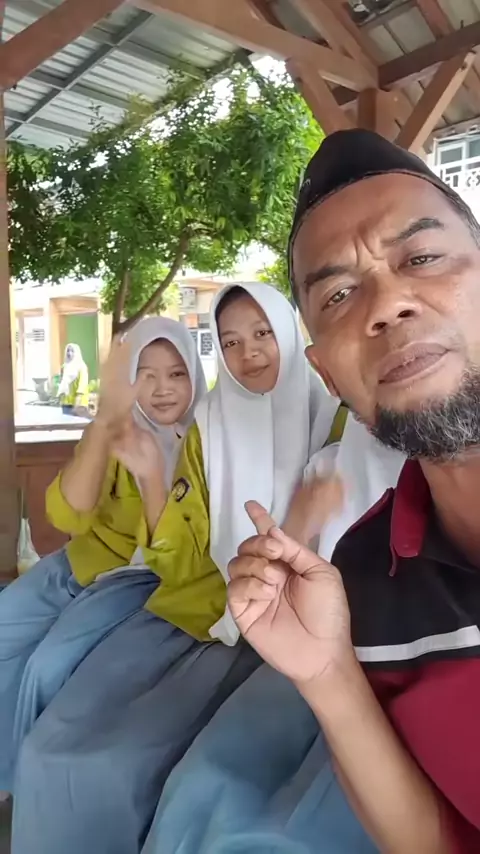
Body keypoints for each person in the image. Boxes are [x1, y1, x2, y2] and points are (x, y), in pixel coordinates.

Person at [213, 130, 480, 852]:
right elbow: (434, 840)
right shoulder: (365, 575)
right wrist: (329, 671)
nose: (386, 305)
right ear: (329, 374)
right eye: (338, 294)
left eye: (421, 258)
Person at [11, 283, 339, 854]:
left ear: (290, 334)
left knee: (152, 777)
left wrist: (294, 535)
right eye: (230, 341)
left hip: (294, 631)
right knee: (53, 748)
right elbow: (180, 560)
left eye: (262, 334)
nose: (249, 353)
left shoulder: (336, 422)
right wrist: (150, 479)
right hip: (197, 613)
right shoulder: (207, 429)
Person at [142, 415, 404, 854]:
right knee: (197, 789)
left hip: (389, 672)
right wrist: (292, 533)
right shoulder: (326, 465)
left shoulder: (451, 470)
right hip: (289, 642)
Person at [0, 317, 205, 793]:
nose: (162, 389)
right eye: (146, 375)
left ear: (195, 375)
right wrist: (105, 422)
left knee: (47, 667)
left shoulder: (207, 440)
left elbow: (184, 552)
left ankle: (25, 782)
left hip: (137, 585)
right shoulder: (120, 432)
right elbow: (68, 516)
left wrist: (152, 478)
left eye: (176, 374)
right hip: (79, 568)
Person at [57, 343, 89, 415]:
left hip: (79, 404)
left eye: (72, 351)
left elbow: (82, 386)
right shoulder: (64, 367)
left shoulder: (82, 367)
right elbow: (62, 384)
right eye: (68, 351)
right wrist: (61, 399)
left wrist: (76, 405)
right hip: (66, 403)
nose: (69, 353)